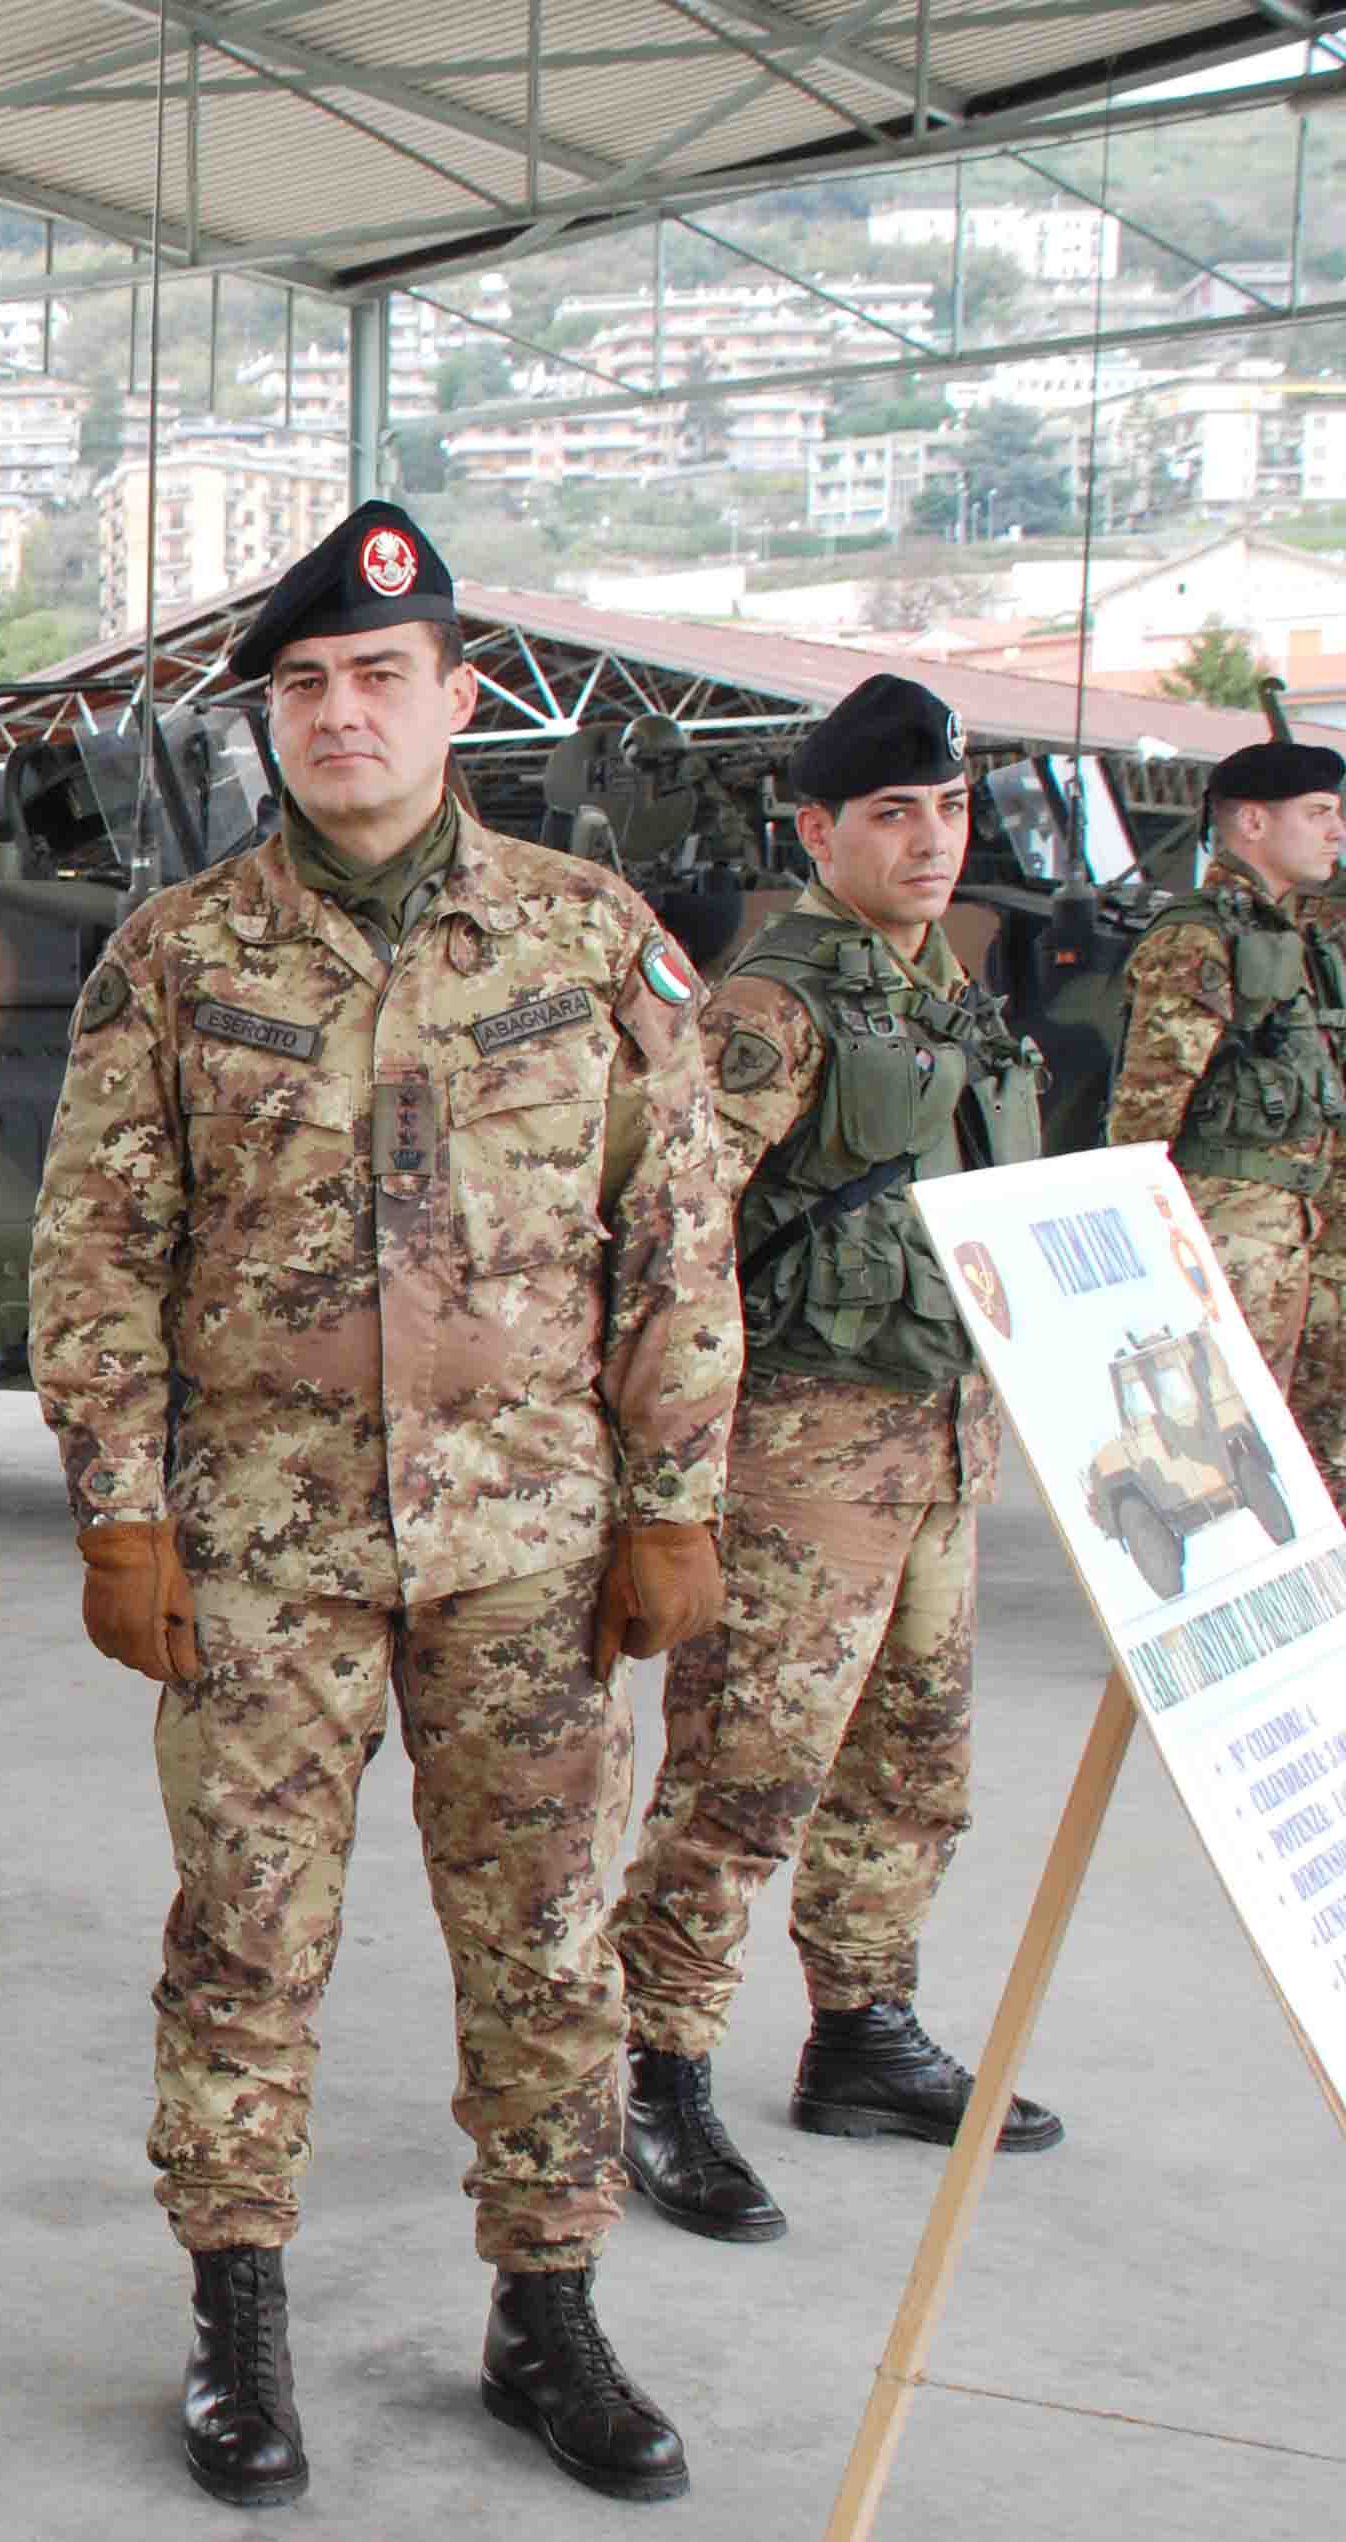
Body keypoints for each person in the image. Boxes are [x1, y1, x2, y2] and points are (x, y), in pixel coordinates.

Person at [30, 501, 739, 2510]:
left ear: (458, 698)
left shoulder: (586, 938)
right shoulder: (178, 958)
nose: (340, 713)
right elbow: (96, 1250)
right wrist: (119, 1510)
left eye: (377, 678)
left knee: (547, 1940)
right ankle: (235, 2319)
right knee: (244, 1941)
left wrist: (672, 1496)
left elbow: (674, 1235)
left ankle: (547, 2312)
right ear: (270, 717)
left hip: (530, 1549)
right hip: (264, 1553)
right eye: (304, 685)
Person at [606, 677, 1059, 2247]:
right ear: (817, 832)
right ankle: (654, 2072)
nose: (933, 840)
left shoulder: (941, 989)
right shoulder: (773, 1010)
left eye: (950, 809)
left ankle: (863, 2028)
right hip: (802, 1462)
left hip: (938, 1444)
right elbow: (669, 1242)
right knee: (747, 1780)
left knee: (913, 1768)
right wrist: (666, 1480)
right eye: (893, 814)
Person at [1108, 735, 1346, 1475]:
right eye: (1318, 813)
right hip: (1229, 1238)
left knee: (1310, 1458)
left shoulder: (1294, 934)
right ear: (1253, 822)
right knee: (1233, 1458)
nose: (1337, 831)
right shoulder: (1198, 936)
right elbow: (1146, 1112)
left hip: (1298, 1232)